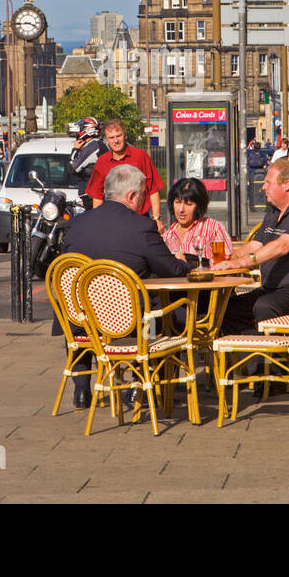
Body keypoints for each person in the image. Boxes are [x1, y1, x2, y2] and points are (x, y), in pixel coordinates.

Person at [60, 164, 190, 408]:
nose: (142, 201)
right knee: (156, 315)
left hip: (82, 320)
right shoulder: (141, 227)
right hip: (129, 322)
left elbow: (66, 269)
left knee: (83, 308)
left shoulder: (76, 224)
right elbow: (171, 269)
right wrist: (183, 262)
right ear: (131, 196)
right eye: (141, 195)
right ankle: (139, 382)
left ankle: (81, 390)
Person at [215, 159, 289, 333]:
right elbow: (257, 244)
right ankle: (249, 357)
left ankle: (277, 359)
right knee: (228, 308)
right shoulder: (274, 211)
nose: (263, 187)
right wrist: (232, 257)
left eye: (268, 183)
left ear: (287, 185)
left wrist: (241, 263)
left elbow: (282, 246)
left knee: (264, 306)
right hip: (274, 289)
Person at [85, 119, 164, 230]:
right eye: (111, 138)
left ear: (125, 136)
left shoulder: (140, 156)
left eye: (118, 136)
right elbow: (97, 196)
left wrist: (157, 218)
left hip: (140, 219)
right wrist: (98, 222)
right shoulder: (102, 161)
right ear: (106, 140)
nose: (116, 141)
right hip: (112, 222)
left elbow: (153, 189)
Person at [160, 177, 233, 262]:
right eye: (177, 202)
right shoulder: (168, 235)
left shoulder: (213, 228)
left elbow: (224, 263)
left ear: (199, 206)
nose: (181, 210)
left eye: (189, 204)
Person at [69, 116, 107, 186]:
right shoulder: (96, 144)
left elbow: (73, 169)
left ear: (87, 129)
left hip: (93, 193)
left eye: (80, 128)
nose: (78, 131)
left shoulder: (93, 146)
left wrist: (75, 150)